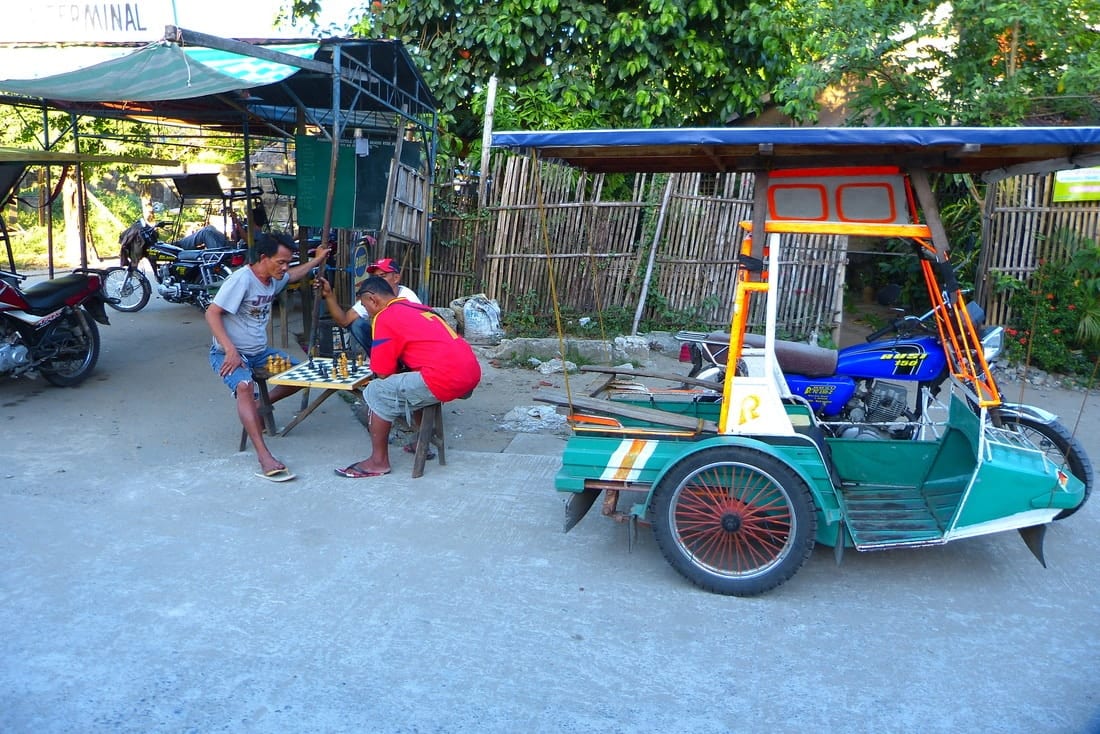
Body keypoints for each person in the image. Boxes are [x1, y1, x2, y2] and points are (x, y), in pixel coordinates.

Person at [205, 234, 331, 481]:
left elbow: (293, 275)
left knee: (301, 375)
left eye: (287, 262)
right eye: (280, 262)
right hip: (228, 354)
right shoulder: (241, 280)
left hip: (260, 353)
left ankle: (259, 408)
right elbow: (212, 313)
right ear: (263, 258)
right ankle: (264, 456)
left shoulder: (273, 278)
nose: (284, 268)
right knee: (244, 386)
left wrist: (316, 261)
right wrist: (230, 350)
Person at [333, 275, 481, 478]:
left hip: (446, 378)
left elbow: (383, 373)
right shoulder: (419, 308)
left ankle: (378, 462)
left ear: (373, 299)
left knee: (376, 391)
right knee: (407, 378)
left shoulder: (385, 316)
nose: (367, 313)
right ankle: (421, 441)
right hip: (470, 373)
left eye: (366, 307)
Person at [318, 257, 420, 354]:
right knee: (357, 325)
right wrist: (329, 295)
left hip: (408, 346)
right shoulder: (372, 297)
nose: (378, 281)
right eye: (375, 277)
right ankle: (378, 361)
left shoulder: (408, 298)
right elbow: (344, 321)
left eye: (382, 276)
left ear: (396, 278)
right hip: (388, 344)